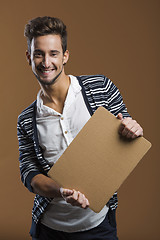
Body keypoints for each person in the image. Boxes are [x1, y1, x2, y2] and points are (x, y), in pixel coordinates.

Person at [17, 16, 143, 240]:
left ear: (65, 55)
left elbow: (128, 130)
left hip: (99, 225)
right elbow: (30, 175)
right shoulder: (26, 119)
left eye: (54, 53)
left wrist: (133, 130)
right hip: (49, 230)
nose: (46, 62)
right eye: (39, 54)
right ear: (29, 57)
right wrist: (61, 192)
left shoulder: (101, 88)